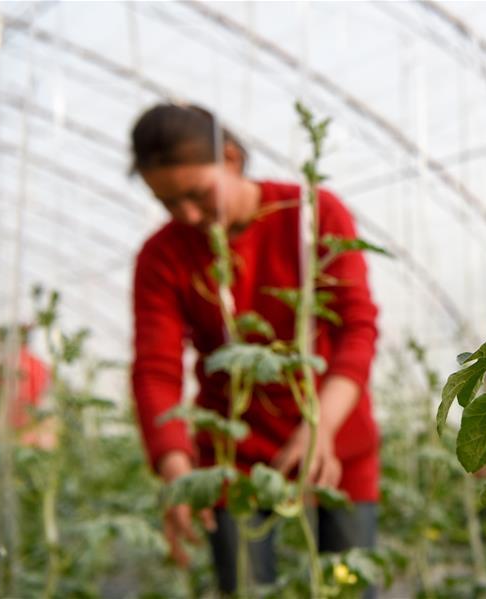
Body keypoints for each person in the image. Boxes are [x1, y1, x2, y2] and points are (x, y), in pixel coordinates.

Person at [129, 103, 379, 594]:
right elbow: (156, 371)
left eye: (198, 195)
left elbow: (357, 329)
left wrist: (320, 426)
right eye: (168, 203)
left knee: (348, 587)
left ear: (231, 157)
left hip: (336, 446)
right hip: (232, 459)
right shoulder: (162, 255)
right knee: (244, 588)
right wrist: (178, 469)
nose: (189, 215)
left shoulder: (312, 214)